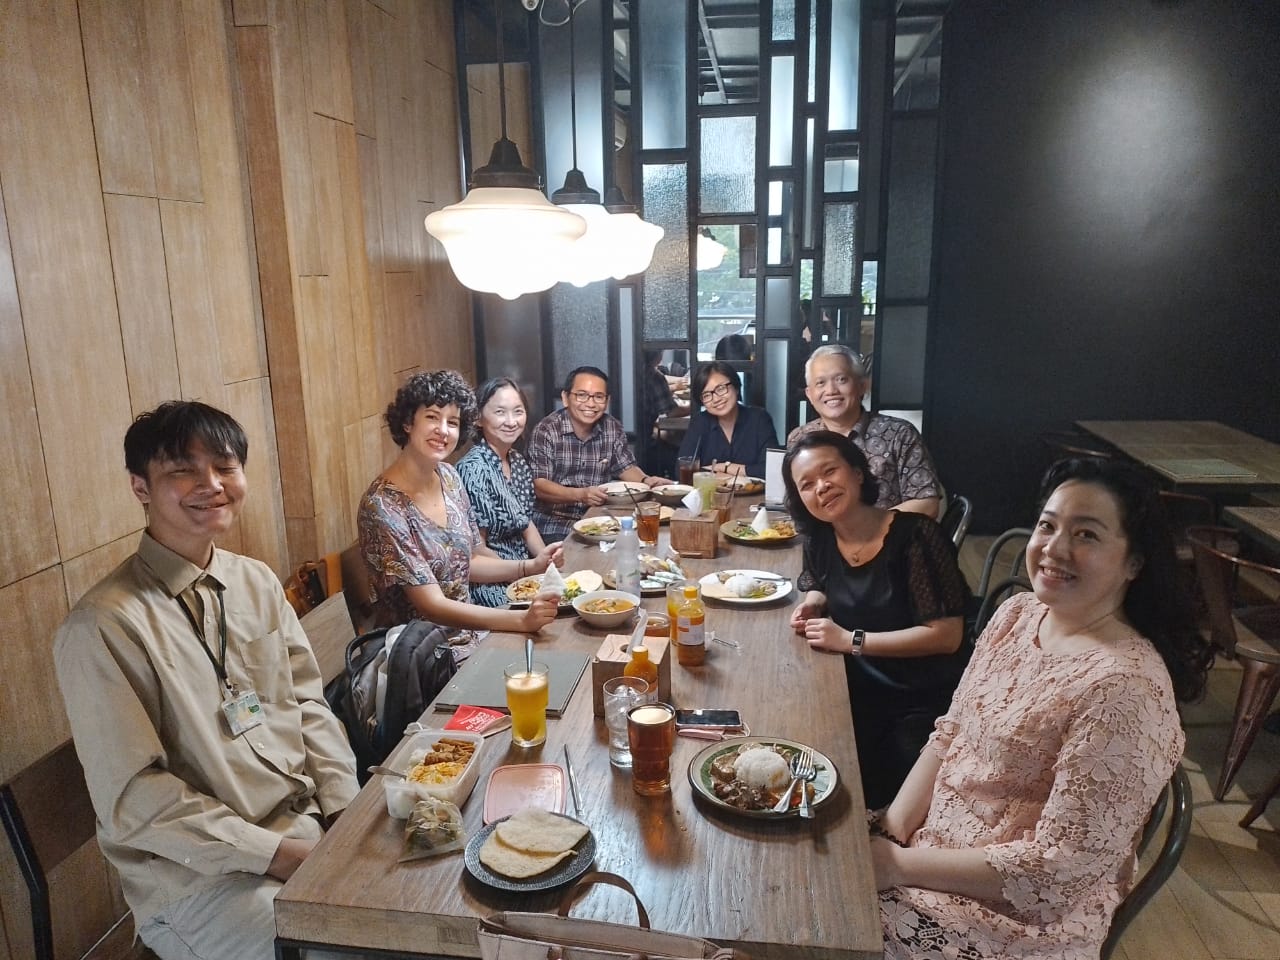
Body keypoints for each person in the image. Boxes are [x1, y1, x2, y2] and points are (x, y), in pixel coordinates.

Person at [871, 457, 1214, 960]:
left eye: (1086, 534)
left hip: (1011, 919)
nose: (1054, 548)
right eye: (1048, 526)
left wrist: (896, 866)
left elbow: (1057, 871)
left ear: (1135, 562)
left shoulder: (1124, 689)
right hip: (925, 851)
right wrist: (891, 831)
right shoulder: (1018, 614)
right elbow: (950, 734)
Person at [52, 401, 359, 960]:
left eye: (225, 466)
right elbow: (135, 797)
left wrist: (346, 813)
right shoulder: (103, 625)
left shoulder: (254, 581)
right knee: (354, 948)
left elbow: (308, 704)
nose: (212, 485)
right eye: (183, 470)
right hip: (201, 881)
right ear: (140, 487)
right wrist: (281, 855)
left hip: (306, 828)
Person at [784, 430, 969, 809]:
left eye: (829, 471)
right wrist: (814, 603)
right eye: (807, 484)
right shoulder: (822, 537)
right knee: (797, 740)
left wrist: (851, 640)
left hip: (918, 698)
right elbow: (819, 580)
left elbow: (947, 635)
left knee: (851, 789)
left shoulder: (916, 537)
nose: (821, 487)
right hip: (854, 685)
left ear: (857, 472)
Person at [358, 371, 562, 658]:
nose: (443, 430)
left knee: (560, 649)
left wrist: (532, 566)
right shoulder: (383, 505)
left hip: (469, 634)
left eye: (452, 422)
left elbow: (471, 560)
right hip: (423, 654)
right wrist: (519, 620)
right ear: (407, 422)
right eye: (432, 417)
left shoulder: (449, 477)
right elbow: (432, 605)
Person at [787, 344, 942, 518]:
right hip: (823, 534)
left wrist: (868, 525)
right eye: (820, 383)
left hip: (889, 534)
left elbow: (927, 503)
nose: (831, 391)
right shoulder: (799, 438)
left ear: (862, 386)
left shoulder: (899, 434)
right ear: (809, 394)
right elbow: (794, 503)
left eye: (841, 379)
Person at [528, 365, 671, 542]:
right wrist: (581, 495)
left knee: (639, 542)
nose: (590, 403)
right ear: (565, 398)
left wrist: (646, 481)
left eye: (598, 397)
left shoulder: (611, 427)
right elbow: (540, 486)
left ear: (607, 400)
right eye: (581, 395)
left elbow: (625, 466)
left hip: (598, 518)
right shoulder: (546, 430)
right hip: (554, 523)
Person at [456, 377, 563, 608]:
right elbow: (478, 549)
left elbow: (526, 524)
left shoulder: (517, 460)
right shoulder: (473, 469)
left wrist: (547, 561)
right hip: (491, 581)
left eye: (518, 411)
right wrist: (526, 576)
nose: (511, 421)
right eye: (500, 412)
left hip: (524, 572)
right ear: (478, 418)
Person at [678, 360, 779, 479]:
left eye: (721, 389)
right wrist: (744, 471)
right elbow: (683, 469)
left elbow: (772, 469)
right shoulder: (699, 422)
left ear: (736, 387)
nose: (716, 399)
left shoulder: (759, 419)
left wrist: (722, 467)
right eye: (707, 395)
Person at [639, 350, 689, 478]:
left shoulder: (635, 370)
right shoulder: (654, 376)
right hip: (645, 443)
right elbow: (671, 412)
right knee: (677, 447)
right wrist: (693, 407)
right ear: (658, 356)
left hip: (638, 437)